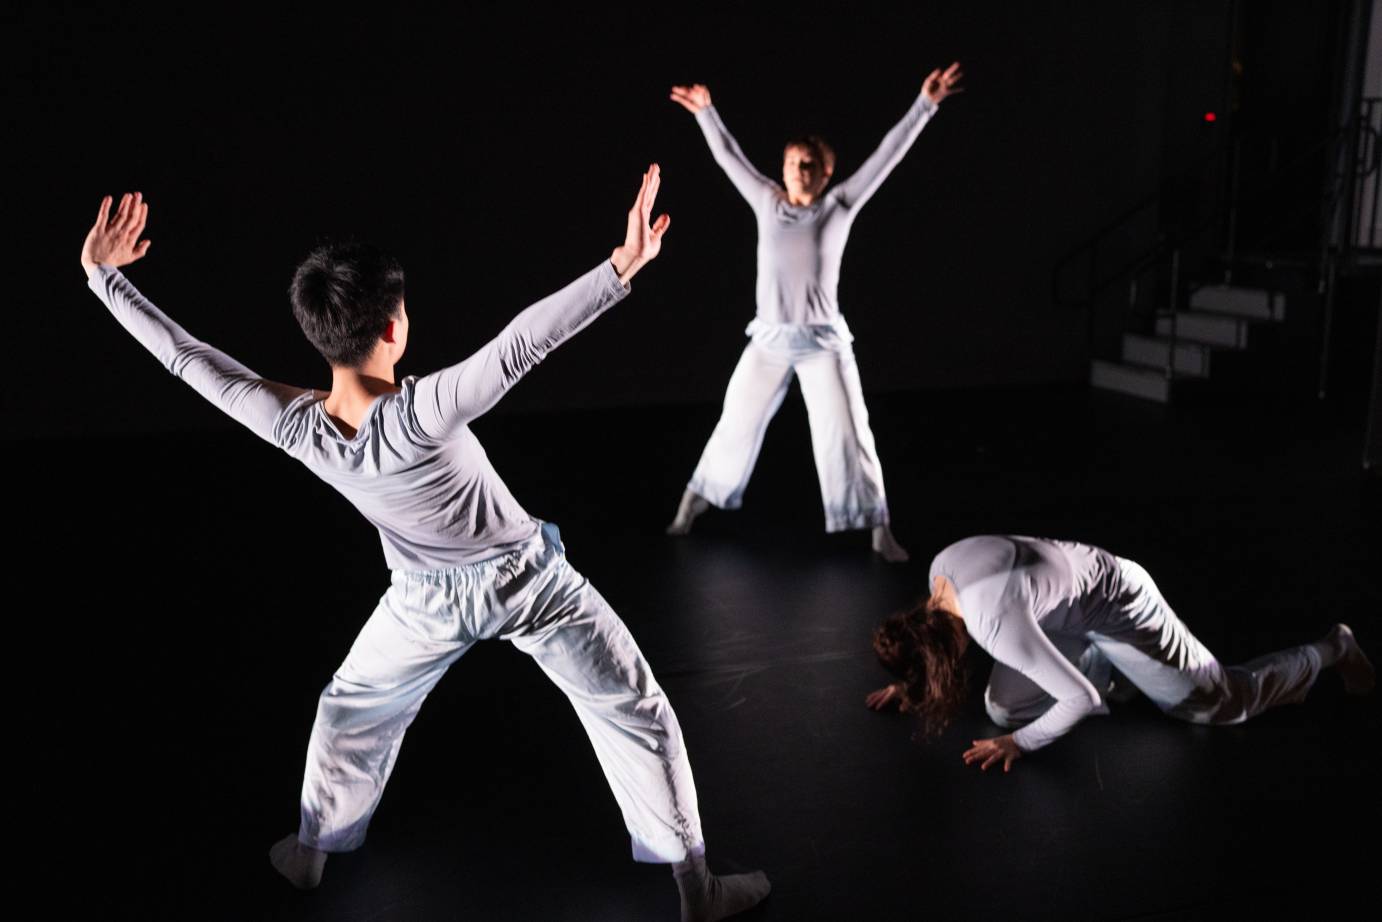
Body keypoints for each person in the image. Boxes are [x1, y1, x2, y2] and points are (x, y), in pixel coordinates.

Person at [80, 172, 769, 921]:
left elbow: (190, 360)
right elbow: (518, 347)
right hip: (530, 586)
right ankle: (695, 890)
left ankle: (311, 852)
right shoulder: (422, 413)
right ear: (391, 330)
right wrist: (621, 267)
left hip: (422, 603)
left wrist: (102, 276)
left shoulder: (294, 425)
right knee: (635, 709)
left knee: (350, 709)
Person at [664, 64, 964, 562]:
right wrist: (706, 113)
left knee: (850, 432)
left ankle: (878, 528)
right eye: (794, 162)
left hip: (823, 341)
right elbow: (729, 157)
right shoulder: (765, 202)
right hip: (769, 340)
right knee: (734, 422)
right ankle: (689, 506)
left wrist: (924, 105)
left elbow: (886, 157)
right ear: (782, 168)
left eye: (811, 165)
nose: (801, 170)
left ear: (826, 173)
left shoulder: (839, 206)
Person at [866, 535, 1374, 771]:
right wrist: (912, 681)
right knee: (1002, 708)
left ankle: (1334, 648)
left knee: (1218, 705)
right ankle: (1112, 668)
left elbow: (1080, 701)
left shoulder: (992, 621)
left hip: (1122, 606)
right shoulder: (941, 572)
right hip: (1063, 613)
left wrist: (1019, 745)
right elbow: (964, 630)